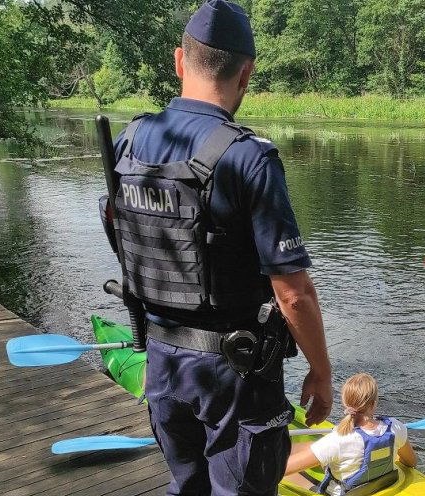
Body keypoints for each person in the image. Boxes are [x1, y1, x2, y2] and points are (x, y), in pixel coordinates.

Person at [98, 1, 332, 494]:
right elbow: (293, 293)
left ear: (180, 61)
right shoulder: (249, 158)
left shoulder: (131, 139)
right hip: (235, 377)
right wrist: (321, 371)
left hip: (161, 360)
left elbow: (120, 232)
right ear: (246, 74)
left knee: (186, 487)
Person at [284, 373, 417, 496]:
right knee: (315, 447)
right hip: (379, 488)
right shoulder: (395, 427)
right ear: (373, 404)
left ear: (345, 403)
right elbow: (411, 462)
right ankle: (286, 451)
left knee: (284, 474)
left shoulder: (338, 440)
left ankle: (279, 453)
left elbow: (280, 470)